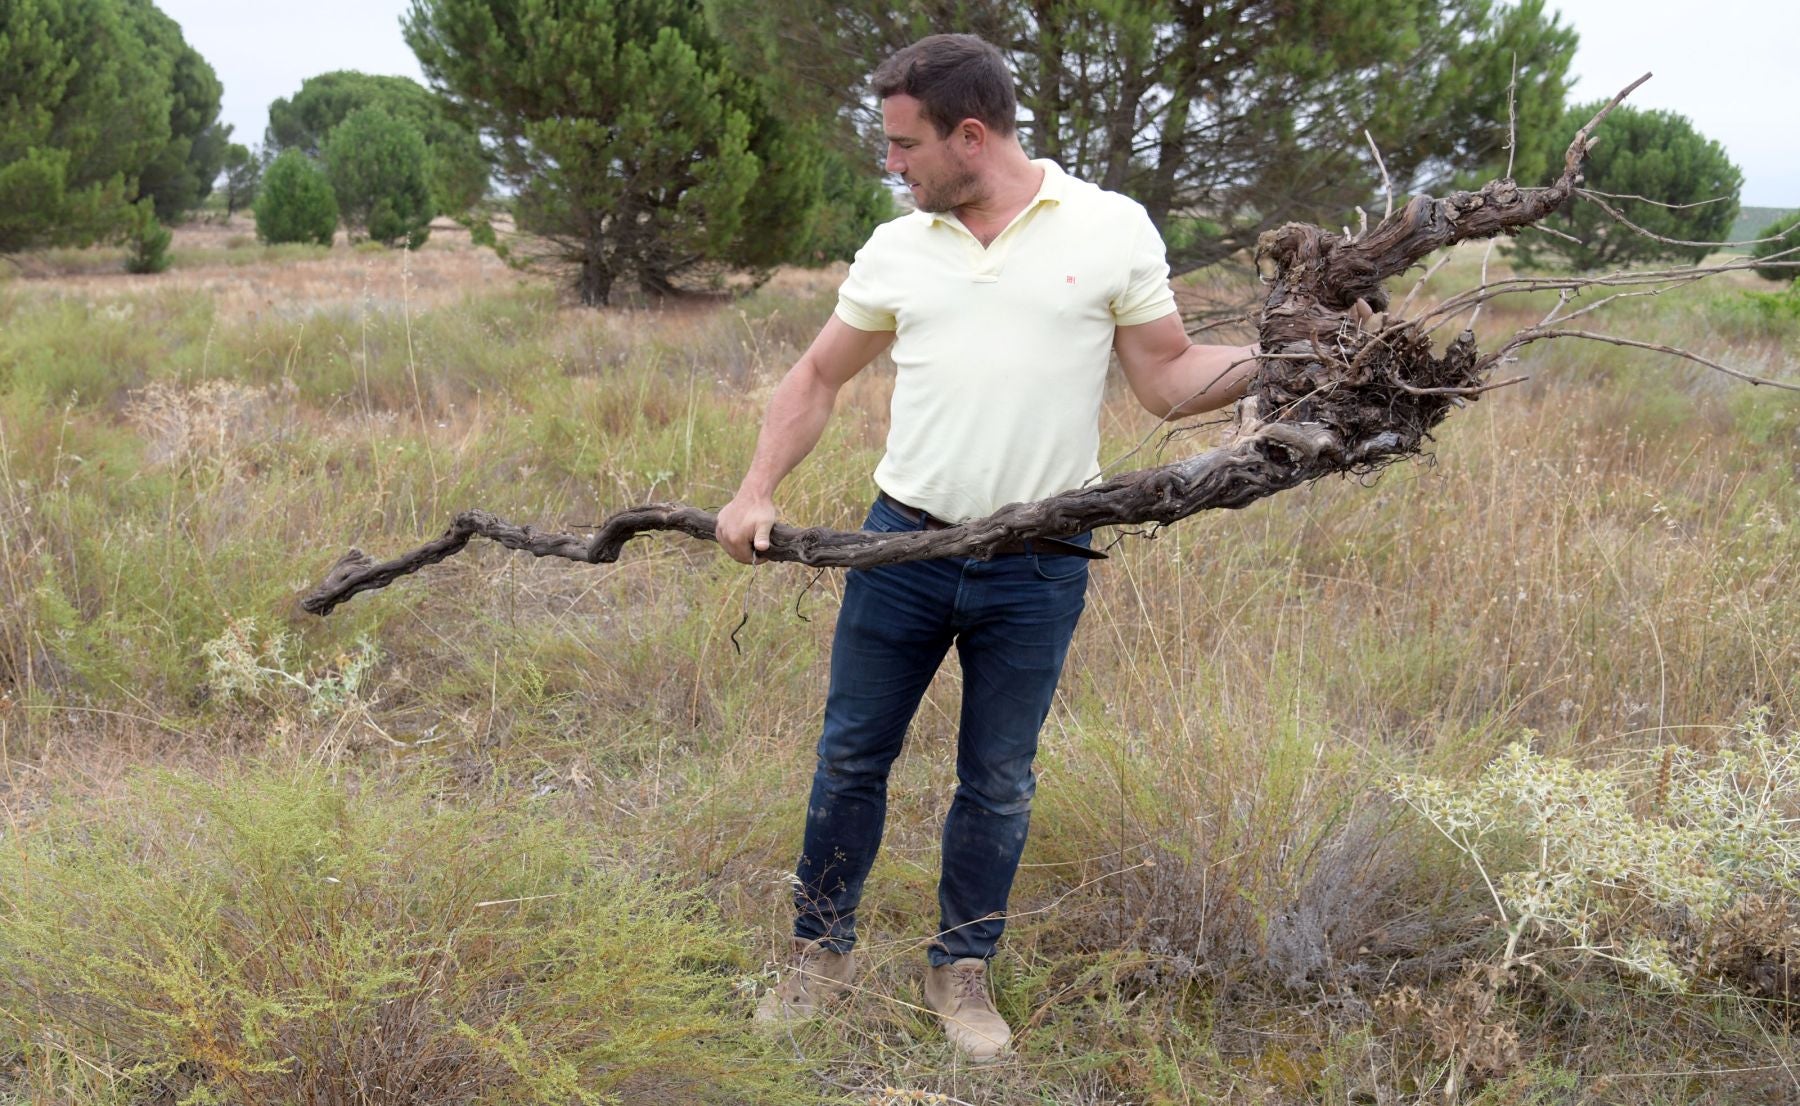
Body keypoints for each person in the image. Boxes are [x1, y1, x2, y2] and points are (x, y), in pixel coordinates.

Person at [715, 33, 1258, 1062]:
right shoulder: (898, 246)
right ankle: (817, 953)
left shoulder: (1108, 229)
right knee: (849, 756)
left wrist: (1300, 354)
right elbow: (819, 377)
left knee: (999, 776)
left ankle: (961, 969)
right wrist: (754, 489)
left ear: (971, 134)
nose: (892, 165)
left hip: (1044, 559)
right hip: (902, 549)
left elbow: (1170, 379)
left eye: (904, 144)